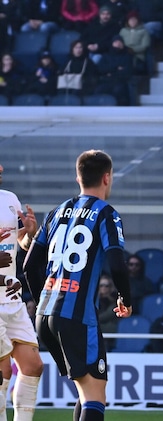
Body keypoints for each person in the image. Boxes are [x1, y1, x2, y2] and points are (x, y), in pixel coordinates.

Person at [23, 150, 132, 421]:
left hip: (45, 316)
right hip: (78, 316)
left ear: (78, 178)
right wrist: (126, 299)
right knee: (95, 395)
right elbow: (117, 263)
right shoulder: (106, 213)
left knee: (86, 393)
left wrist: (44, 301)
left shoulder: (56, 212)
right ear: (107, 177)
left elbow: (28, 266)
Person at [0, 163, 42, 421]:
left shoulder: (9, 198)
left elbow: (21, 244)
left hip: (12, 298)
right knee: (3, 370)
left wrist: (29, 233)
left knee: (33, 366)